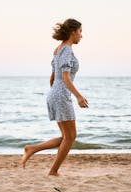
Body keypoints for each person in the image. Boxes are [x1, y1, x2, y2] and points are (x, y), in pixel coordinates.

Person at [21, 18, 89, 176]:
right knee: (70, 137)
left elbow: (52, 78)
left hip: (55, 93)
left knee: (67, 136)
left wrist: (56, 94)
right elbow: (65, 78)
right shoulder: (66, 50)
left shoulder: (58, 49)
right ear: (73, 32)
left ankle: (32, 149)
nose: (81, 35)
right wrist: (78, 96)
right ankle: (53, 171)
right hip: (61, 93)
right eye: (80, 32)